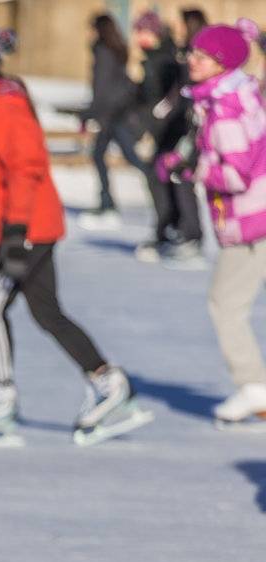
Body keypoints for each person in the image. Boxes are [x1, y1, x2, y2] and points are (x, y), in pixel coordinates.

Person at [0, 26, 151, 448]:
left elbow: (26, 173)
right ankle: (109, 383)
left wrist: (15, 232)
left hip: (28, 226)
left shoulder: (4, 110)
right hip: (20, 228)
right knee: (46, 312)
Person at [158, 19, 266, 428]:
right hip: (260, 214)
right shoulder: (238, 94)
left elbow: (237, 175)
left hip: (250, 221)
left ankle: (254, 385)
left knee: (225, 304)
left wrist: (191, 169)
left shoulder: (224, 109)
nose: (192, 61)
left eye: (202, 56)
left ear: (222, 63)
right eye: (192, 53)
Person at [133, 10, 203, 264]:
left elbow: (176, 97)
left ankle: (186, 234)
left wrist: (153, 123)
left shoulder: (170, 58)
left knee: (178, 179)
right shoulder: (172, 55)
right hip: (168, 127)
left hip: (180, 129)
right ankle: (170, 230)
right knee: (163, 179)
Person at [81, 13, 151, 231]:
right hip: (117, 109)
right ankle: (106, 201)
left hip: (111, 113)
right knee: (105, 155)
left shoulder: (103, 50)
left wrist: (92, 114)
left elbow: (102, 87)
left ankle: (159, 189)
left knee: (120, 156)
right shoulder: (115, 48)